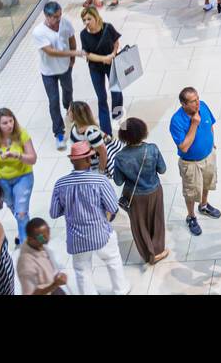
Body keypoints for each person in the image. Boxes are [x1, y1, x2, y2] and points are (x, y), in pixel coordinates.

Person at [49, 141, 128, 295]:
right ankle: (120, 289)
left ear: (71, 160)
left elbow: (54, 212)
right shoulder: (100, 181)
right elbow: (113, 208)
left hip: (76, 239)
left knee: (81, 269)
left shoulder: (60, 184)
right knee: (112, 260)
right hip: (101, 233)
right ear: (89, 159)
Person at [113, 117, 169, 264]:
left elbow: (118, 181)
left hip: (134, 196)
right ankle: (158, 250)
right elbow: (162, 169)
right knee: (157, 220)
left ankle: (148, 254)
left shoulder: (120, 157)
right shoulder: (152, 149)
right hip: (154, 190)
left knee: (139, 224)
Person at [170, 86, 221, 236]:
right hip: (191, 163)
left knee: (207, 183)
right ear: (184, 104)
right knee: (191, 192)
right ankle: (191, 216)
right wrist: (194, 124)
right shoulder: (176, 121)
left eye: (197, 98)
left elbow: (210, 124)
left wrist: (212, 142)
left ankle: (204, 205)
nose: (197, 103)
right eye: (193, 101)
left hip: (208, 156)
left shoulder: (203, 106)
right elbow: (184, 147)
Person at [0, 107, 36, 246]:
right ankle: (28, 228)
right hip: (2, 181)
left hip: (23, 177)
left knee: (21, 212)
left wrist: (16, 155)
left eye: (11, 121)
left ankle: (26, 245)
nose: (9, 125)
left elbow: (32, 158)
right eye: (5, 123)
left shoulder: (22, 135)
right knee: (14, 208)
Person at [33, 1, 81, 150]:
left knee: (68, 93)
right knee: (53, 101)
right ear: (47, 16)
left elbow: (72, 39)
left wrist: (72, 59)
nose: (59, 19)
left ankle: (71, 114)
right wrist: (73, 53)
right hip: (48, 72)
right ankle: (59, 133)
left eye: (60, 15)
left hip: (65, 67)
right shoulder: (39, 32)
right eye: (55, 17)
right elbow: (51, 52)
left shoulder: (65, 23)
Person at [78, 5, 123, 134]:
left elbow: (116, 42)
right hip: (95, 67)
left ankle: (117, 114)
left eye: (88, 19)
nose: (86, 22)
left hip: (111, 63)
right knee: (101, 97)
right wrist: (104, 58)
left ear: (96, 17)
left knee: (116, 91)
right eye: (84, 20)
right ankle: (106, 131)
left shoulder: (108, 27)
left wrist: (113, 54)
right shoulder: (83, 34)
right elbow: (88, 54)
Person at [16, 218, 68, 295]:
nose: (47, 238)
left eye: (48, 232)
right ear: (30, 239)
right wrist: (55, 284)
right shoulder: (26, 264)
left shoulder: (39, 245)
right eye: (42, 237)